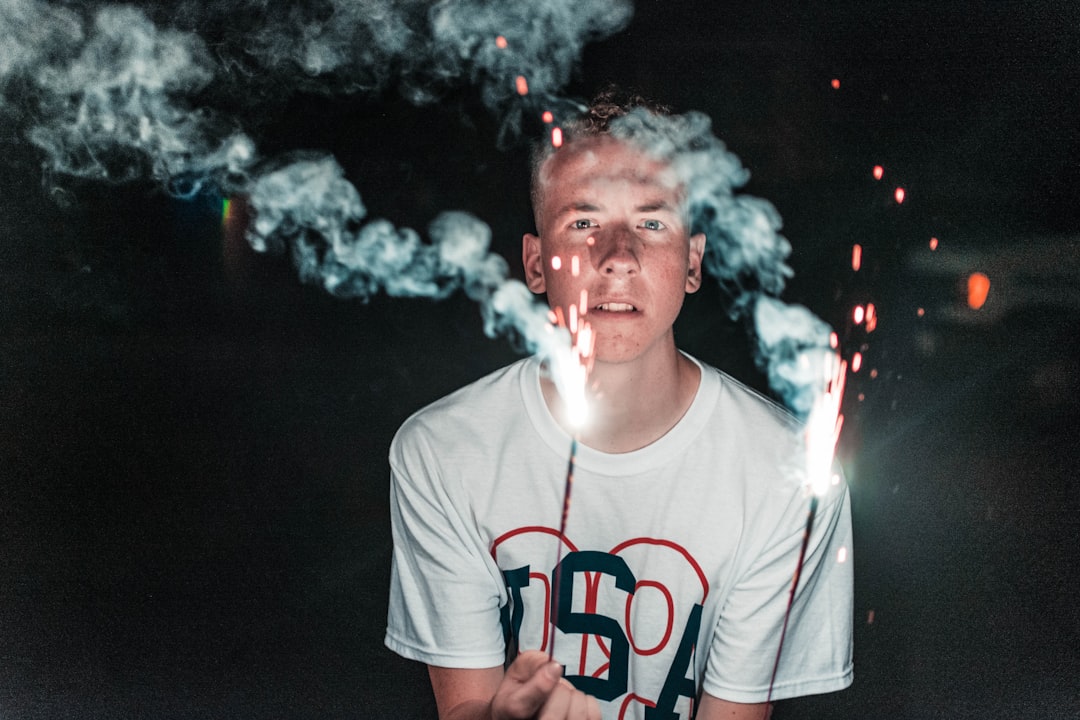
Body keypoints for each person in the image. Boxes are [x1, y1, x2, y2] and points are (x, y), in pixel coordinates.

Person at [385, 91, 853, 720]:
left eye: (651, 223)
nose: (617, 258)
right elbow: (465, 707)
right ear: (534, 264)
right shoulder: (443, 452)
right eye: (583, 223)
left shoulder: (788, 474)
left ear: (693, 262)